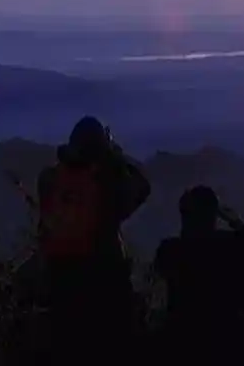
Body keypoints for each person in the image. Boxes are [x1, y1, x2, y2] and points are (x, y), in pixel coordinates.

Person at [36, 116, 151, 363]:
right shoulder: (106, 187)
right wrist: (116, 157)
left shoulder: (48, 180)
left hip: (60, 283)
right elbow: (142, 187)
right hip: (103, 285)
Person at [153, 186, 244, 360]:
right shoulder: (229, 245)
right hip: (227, 341)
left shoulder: (170, 250)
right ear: (214, 215)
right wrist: (235, 221)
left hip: (183, 343)